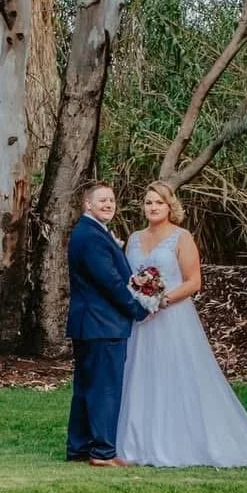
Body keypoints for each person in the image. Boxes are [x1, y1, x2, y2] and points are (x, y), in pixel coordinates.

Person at [117, 181, 247, 468]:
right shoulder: (135, 238)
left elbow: (193, 282)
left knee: (176, 376)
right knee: (140, 376)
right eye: (148, 202)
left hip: (172, 317)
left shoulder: (181, 237)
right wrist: (139, 298)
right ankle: (138, 441)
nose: (153, 207)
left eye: (159, 203)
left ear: (170, 205)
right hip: (142, 321)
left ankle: (177, 440)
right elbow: (130, 276)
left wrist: (162, 300)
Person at [67, 181, 156, 466]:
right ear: (87, 204)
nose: (108, 205)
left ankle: (79, 447)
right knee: (104, 388)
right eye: (102, 200)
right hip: (102, 323)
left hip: (90, 324)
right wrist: (138, 309)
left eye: (111, 200)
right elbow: (111, 283)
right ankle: (102, 452)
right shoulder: (91, 236)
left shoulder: (91, 232)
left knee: (86, 387)